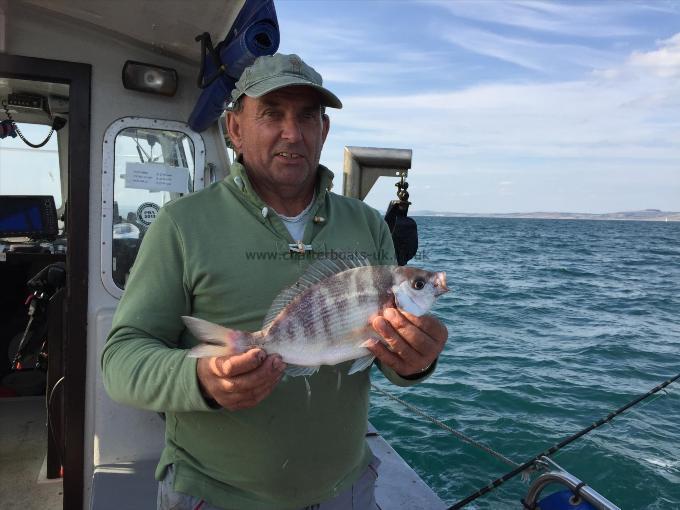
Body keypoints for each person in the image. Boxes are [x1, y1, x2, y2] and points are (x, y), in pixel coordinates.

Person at [102, 53, 448, 510]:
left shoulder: (367, 225)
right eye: (272, 113)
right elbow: (122, 358)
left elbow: (376, 349)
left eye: (307, 115)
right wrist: (202, 378)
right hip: (215, 496)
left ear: (324, 131)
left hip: (344, 489)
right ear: (235, 129)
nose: (292, 132)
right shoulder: (180, 224)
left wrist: (414, 362)